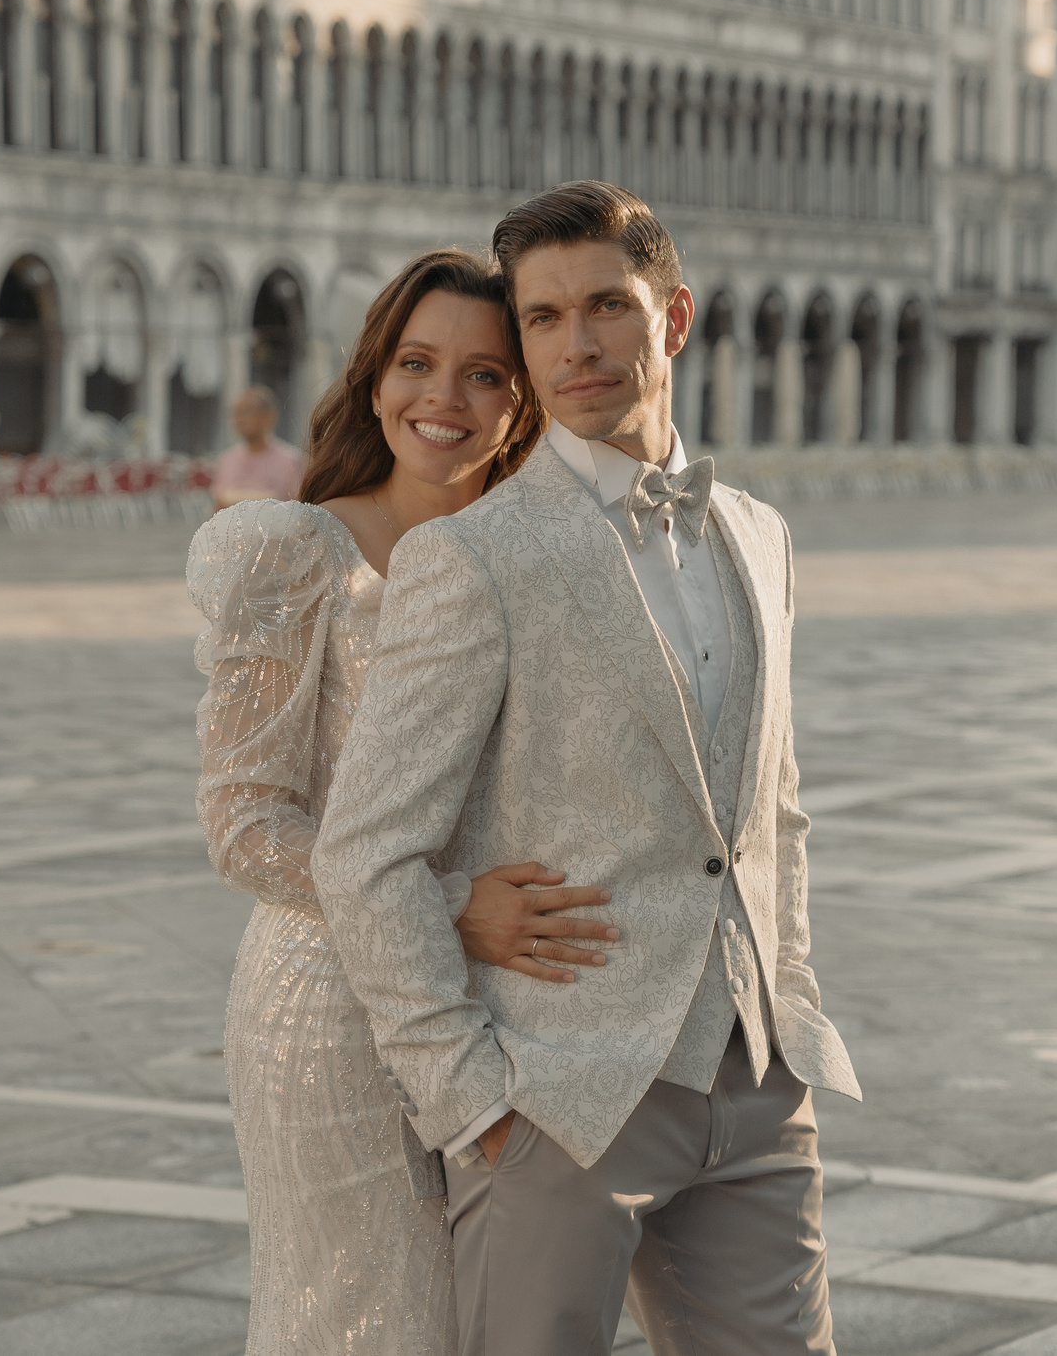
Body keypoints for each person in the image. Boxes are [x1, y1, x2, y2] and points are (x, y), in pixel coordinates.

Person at [318, 182, 859, 1356]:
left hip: (756, 1083)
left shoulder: (756, 534)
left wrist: (790, 1001)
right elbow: (365, 853)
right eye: (544, 318)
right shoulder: (473, 558)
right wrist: (470, 1102)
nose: (577, 344)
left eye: (605, 306)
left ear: (672, 318)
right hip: (557, 1103)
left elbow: (776, 810)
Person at [185, 249, 621, 1356]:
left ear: (521, 401)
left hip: (506, 995)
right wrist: (446, 902)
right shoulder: (299, 551)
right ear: (373, 378)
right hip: (328, 997)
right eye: (417, 363)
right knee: (372, 1316)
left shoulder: (533, 554)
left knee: (490, 1313)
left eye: (484, 375)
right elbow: (244, 821)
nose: (444, 398)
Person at [211, 385, 308, 509]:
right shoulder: (226, 460)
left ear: (269, 416)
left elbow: (299, 509)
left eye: (246, 412)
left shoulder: (291, 461)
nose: (240, 419)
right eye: (236, 413)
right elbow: (218, 506)